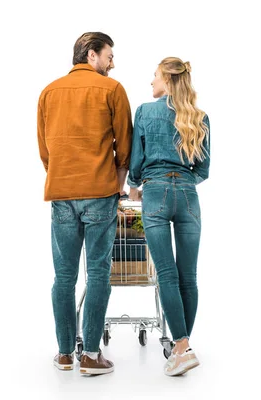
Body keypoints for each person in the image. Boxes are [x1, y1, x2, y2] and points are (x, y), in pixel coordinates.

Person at [37, 32, 132, 375]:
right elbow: (126, 144)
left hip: (61, 193)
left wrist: (63, 176)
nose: (112, 63)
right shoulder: (113, 90)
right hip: (100, 192)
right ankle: (91, 356)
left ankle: (64, 354)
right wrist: (117, 182)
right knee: (98, 275)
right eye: (109, 55)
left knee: (63, 277)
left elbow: (45, 150)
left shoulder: (48, 91)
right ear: (92, 55)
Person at [127, 57, 210, 376]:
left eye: (154, 76)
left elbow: (137, 161)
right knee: (188, 276)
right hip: (189, 197)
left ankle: (181, 347)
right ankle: (183, 346)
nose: (151, 82)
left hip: (156, 194)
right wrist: (182, 180)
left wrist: (135, 186)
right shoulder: (200, 117)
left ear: (167, 79)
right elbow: (203, 169)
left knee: (166, 273)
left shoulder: (146, 112)